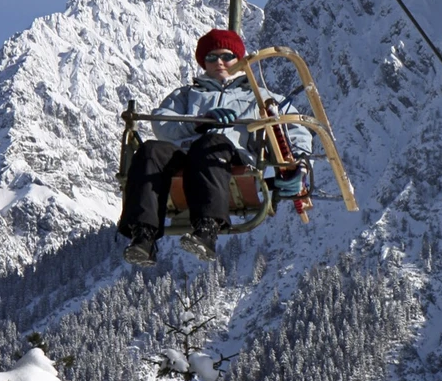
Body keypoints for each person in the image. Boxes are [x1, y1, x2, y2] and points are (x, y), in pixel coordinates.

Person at [117, 28, 311, 266]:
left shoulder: (258, 96)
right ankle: (143, 235)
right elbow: (162, 122)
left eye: (226, 56)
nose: (219, 62)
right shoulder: (187, 95)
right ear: (203, 62)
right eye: (211, 57)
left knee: (210, 143)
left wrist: (297, 166)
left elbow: (294, 128)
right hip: (185, 155)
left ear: (238, 60)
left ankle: (207, 227)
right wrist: (199, 122)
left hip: (230, 158)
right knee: (150, 150)